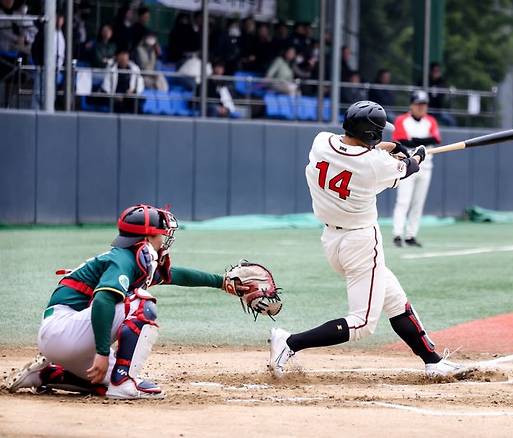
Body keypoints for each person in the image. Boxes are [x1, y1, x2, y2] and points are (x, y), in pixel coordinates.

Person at [268, 100, 468, 379]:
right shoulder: (375, 165)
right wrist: (417, 156)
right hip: (361, 243)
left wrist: (394, 149)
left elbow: (362, 153)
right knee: (362, 323)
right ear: (371, 135)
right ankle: (289, 343)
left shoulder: (321, 142)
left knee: (395, 299)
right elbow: (408, 168)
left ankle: (432, 361)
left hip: (332, 241)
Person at [5, 204, 251, 399]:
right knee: (142, 302)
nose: (164, 240)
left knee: (121, 385)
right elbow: (102, 300)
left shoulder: (132, 257)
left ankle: (48, 375)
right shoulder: (123, 260)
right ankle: (123, 380)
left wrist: (222, 282)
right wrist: (102, 352)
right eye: (160, 235)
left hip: (65, 337)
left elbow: (176, 275)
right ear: (144, 237)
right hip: (66, 330)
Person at [391, 90, 441, 247]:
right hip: (406, 165)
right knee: (403, 201)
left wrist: (416, 140)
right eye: (418, 104)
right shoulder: (401, 120)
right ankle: (398, 234)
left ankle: (411, 235)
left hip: (426, 166)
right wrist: (419, 141)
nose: (421, 107)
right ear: (411, 105)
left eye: (424, 104)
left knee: (418, 202)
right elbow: (402, 140)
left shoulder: (431, 121)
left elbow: (435, 138)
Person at [101, 48, 144, 113]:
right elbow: (106, 86)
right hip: (114, 96)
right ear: (117, 57)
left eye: (125, 57)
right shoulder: (111, 68)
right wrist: (114, 95)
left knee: (138, 103)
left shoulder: (135, 68)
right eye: (122, 57)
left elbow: (140, 84)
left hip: (129, 96)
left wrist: (133, 91)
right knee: (118, 106)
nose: (124, 59)